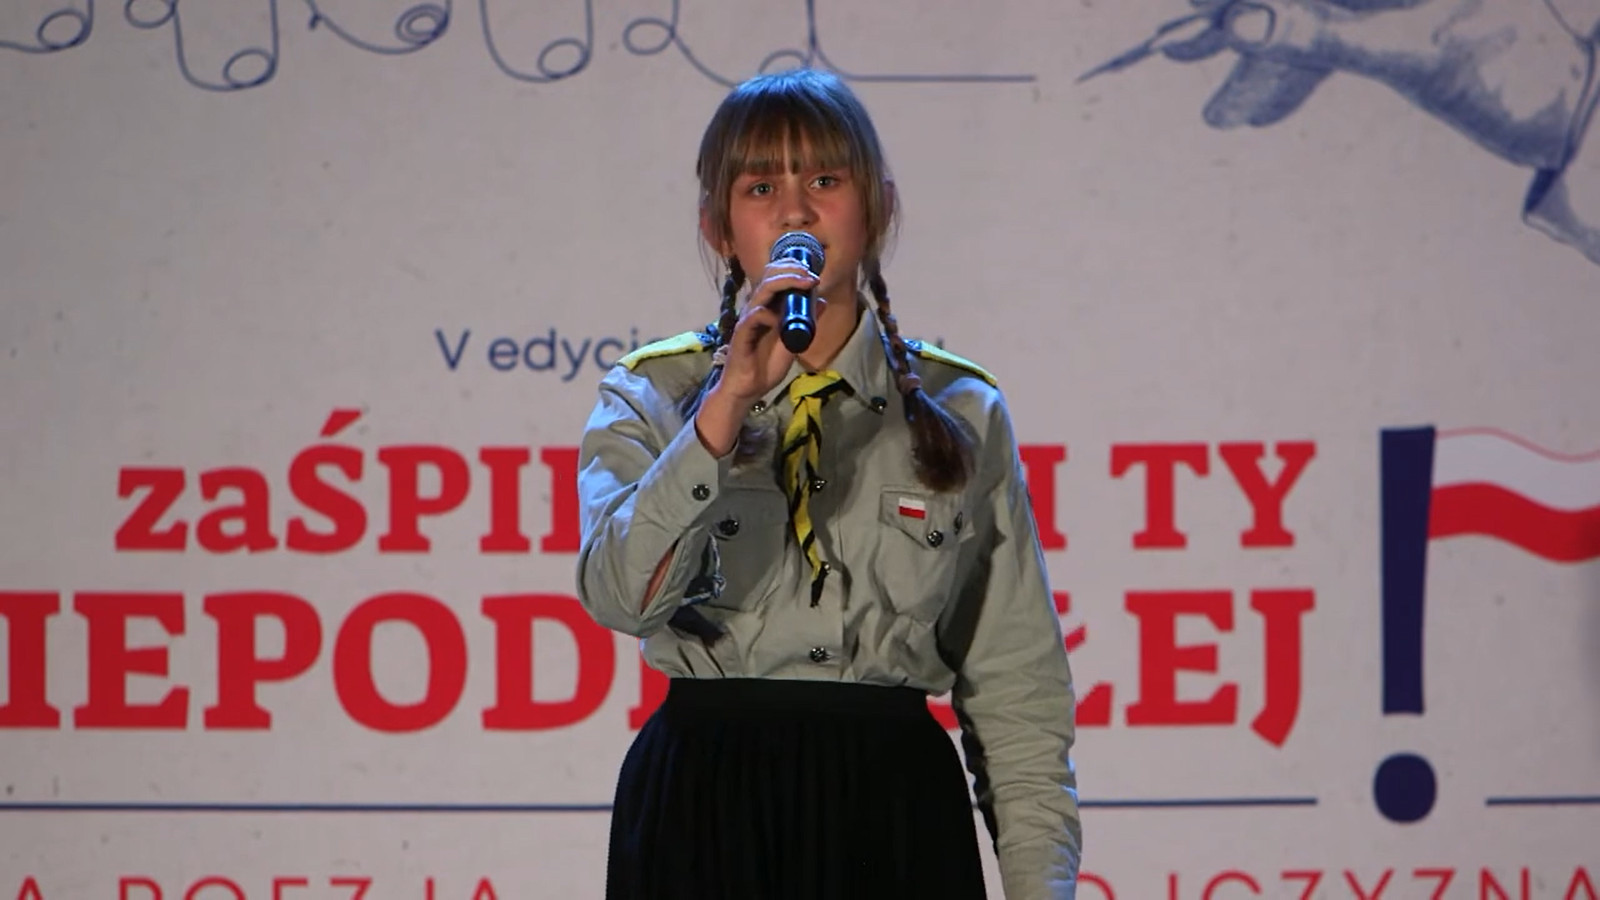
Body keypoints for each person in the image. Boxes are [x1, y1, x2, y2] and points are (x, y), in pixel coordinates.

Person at [575, 66, 1081, 900]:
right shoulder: (653, 393)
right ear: (717, 225)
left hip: (891, 805)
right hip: (705, 806)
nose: (795, 213)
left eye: (824, 181)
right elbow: (621, 599)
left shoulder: (961, 408)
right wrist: (726, 407)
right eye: (761, 187)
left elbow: (1016, 682)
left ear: (876, 208)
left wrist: (1040, 887)